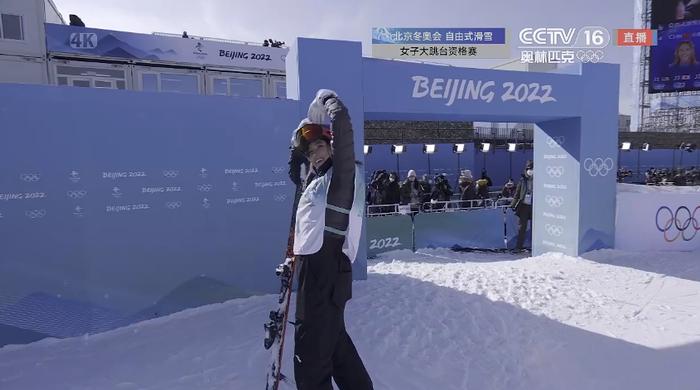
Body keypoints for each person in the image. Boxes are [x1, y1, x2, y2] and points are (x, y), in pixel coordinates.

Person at [288, 89, 373, 390]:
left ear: (333, 147)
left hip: (325, 272)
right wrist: (296, 149)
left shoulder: (342, 178)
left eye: (321, 147)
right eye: (311, 153)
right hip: (321, 272)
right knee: (337, 350)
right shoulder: (320, 181)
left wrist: (328, 100)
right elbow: (296, 178)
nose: (316, 155)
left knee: (312, 362)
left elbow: (344, 127)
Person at [510, 160, 534, 252]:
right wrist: (512, 205)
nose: (531, 171)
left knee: (535, 228)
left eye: (532, 169)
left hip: (534, 207)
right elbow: (517, 194)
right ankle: (518, 247)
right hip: (523, 206)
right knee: (521, 228)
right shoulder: (522, 180)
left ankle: (534, 246)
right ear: (526, 169)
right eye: (529, 169)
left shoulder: (539, 179)